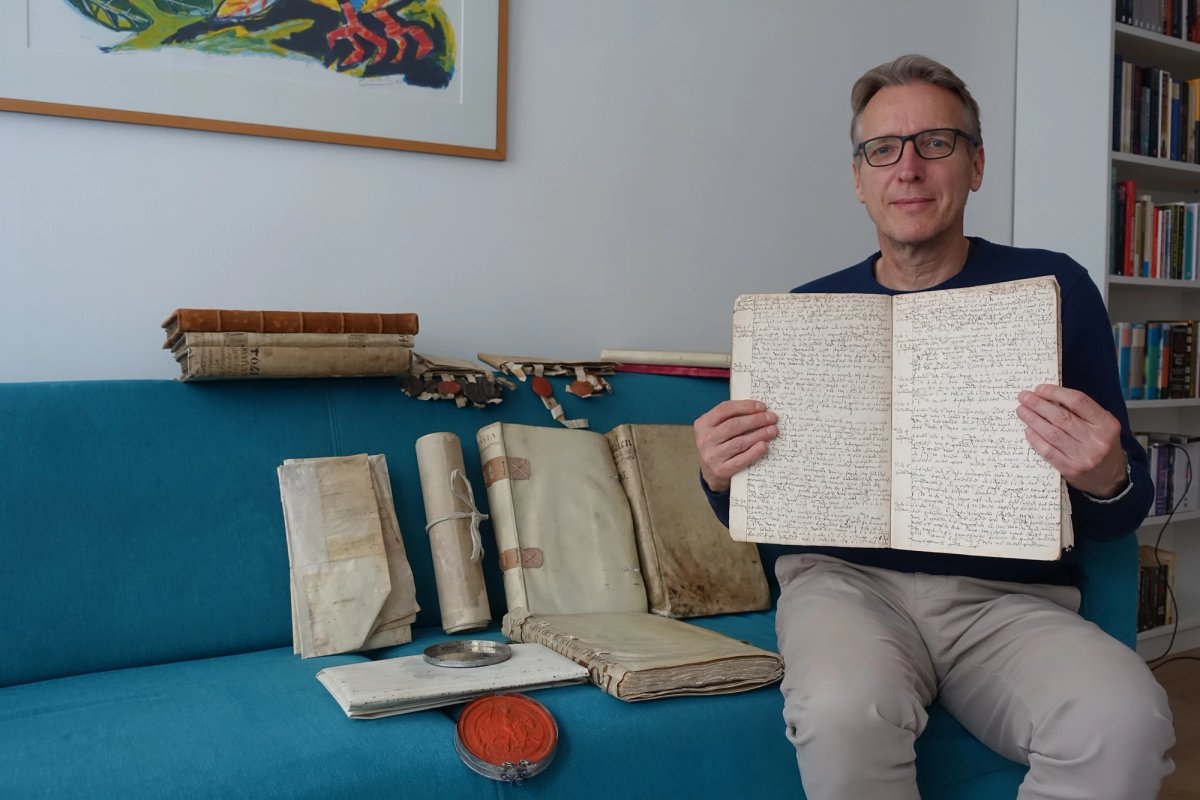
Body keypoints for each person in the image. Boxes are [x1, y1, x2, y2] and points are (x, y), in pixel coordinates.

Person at [694, 54, 1175, 800]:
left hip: (1008, 601)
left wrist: (1105, 475)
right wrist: (720, 476)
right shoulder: (805, 313)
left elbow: (1123, 506)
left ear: (976, 165)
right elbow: (761, 512)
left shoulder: (1054, 290)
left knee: (1124, 720)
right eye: (882, 149)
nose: (908, 167)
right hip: (845, 588)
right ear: (859, 179)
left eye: (936, 143)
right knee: (843, 710)